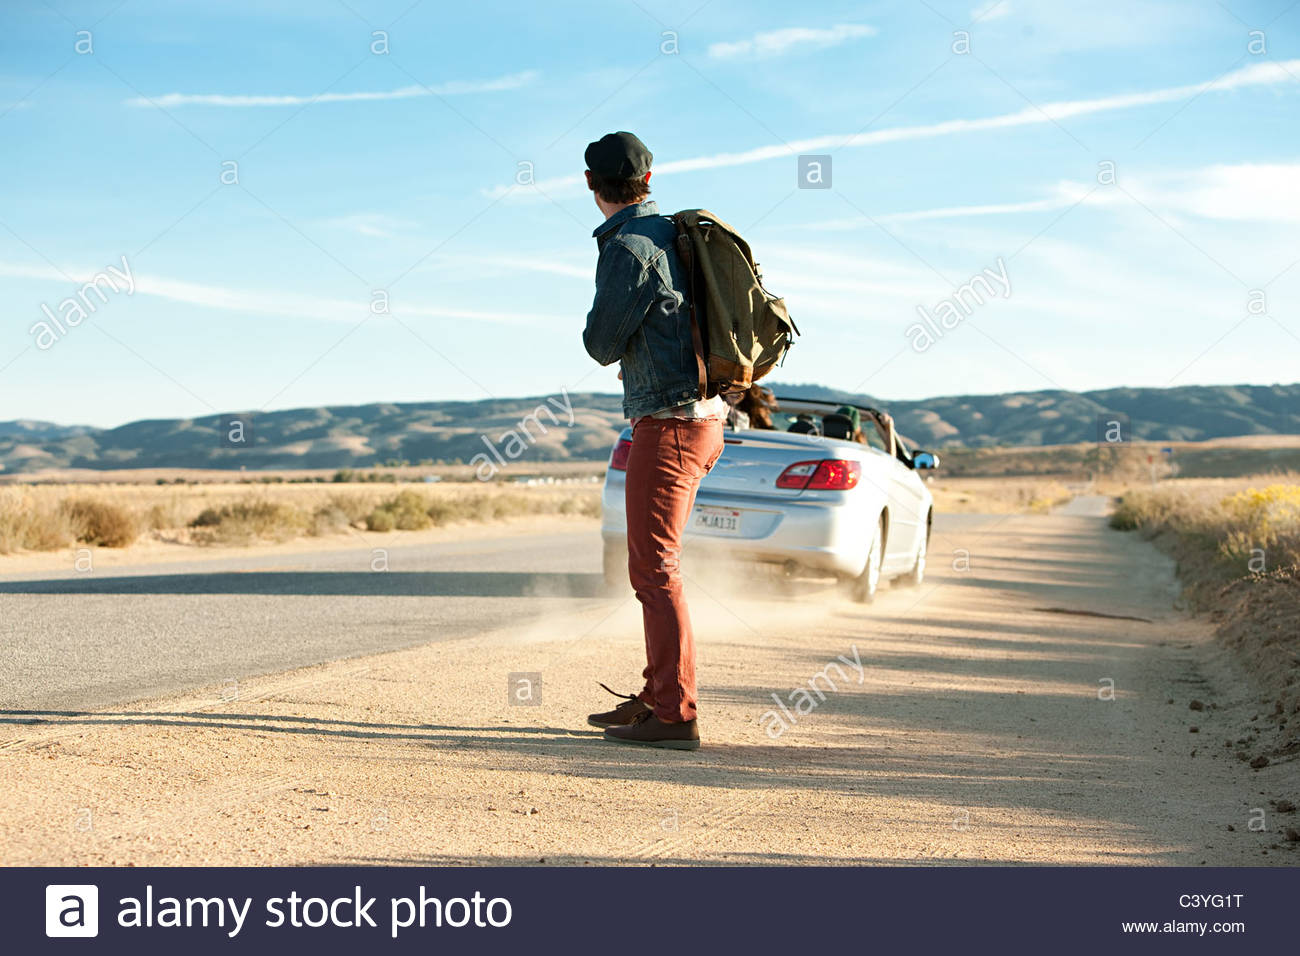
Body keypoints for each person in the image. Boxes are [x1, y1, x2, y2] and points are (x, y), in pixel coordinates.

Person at [580, 131, 726, 751]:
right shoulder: (676, 233)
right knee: (655, 566)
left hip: (668, 424)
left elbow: (600, 344)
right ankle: (659, 694)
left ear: (592, 185)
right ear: (648, 178)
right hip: (704, 418)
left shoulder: (628, 248)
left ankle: (673, 713)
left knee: (654, 568)